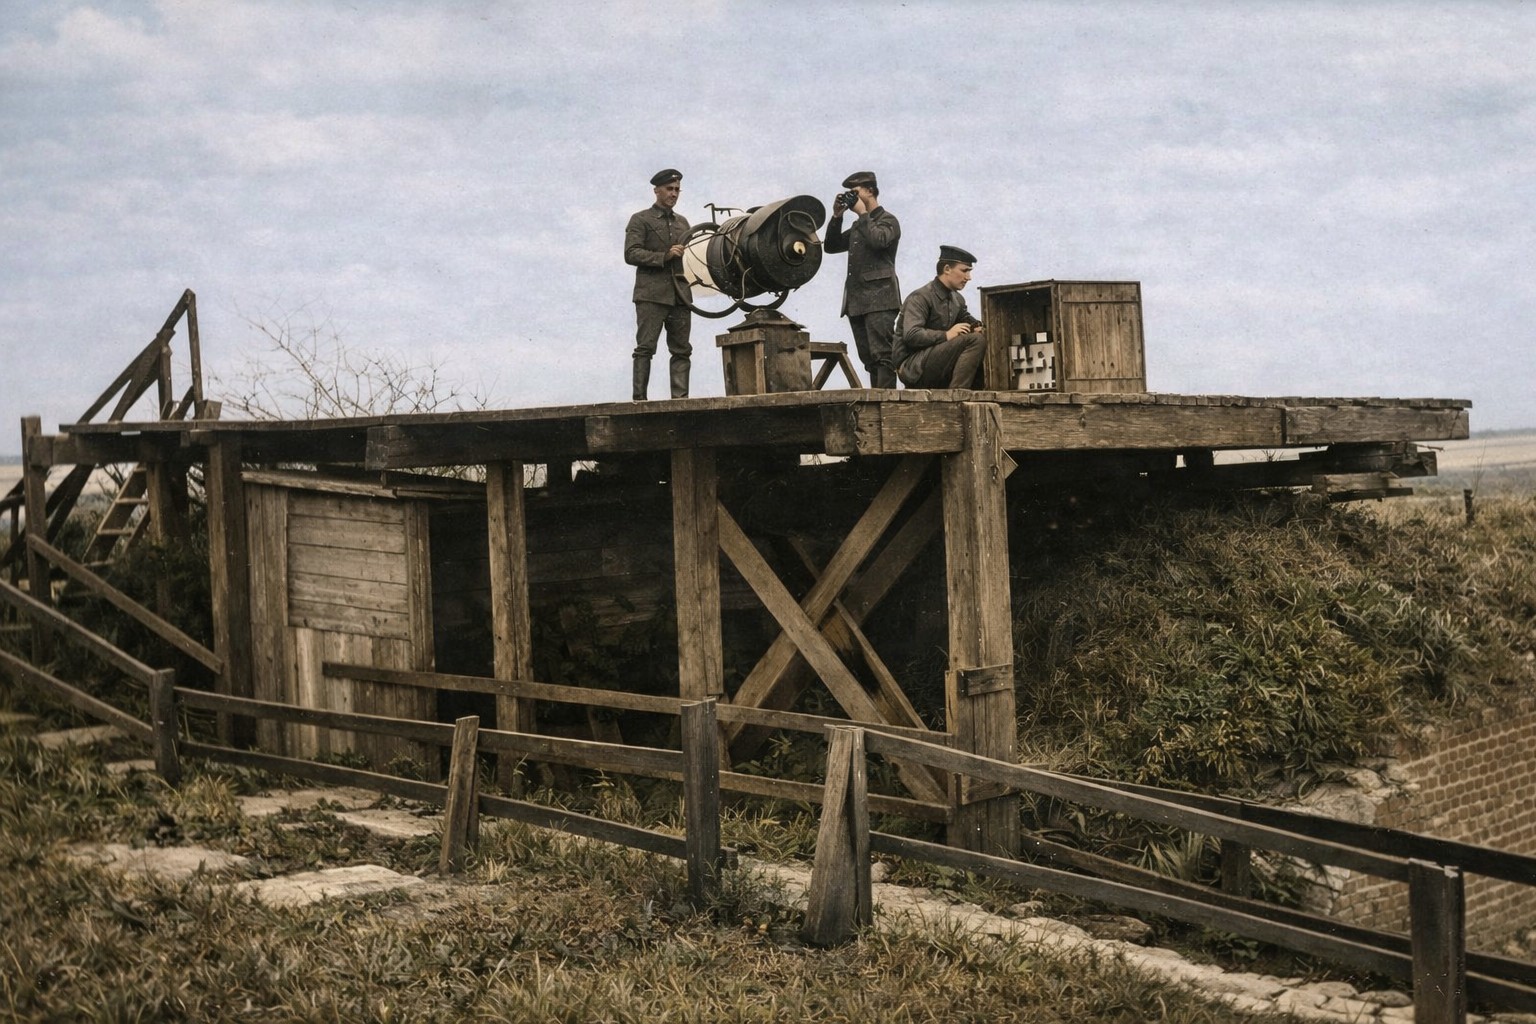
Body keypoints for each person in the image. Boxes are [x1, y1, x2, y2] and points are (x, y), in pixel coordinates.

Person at [823, 170, 901, 388]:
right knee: (868, 359)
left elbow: (879, 241)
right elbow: (831, 246)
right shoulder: (860, 225)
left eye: (855, 192)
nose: (852, 198)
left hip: (880, 300)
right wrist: (837, 216)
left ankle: (886, 406)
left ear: (870, 191)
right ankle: (878, 404)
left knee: (883, 356)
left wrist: (863, 214)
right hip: (857, 301)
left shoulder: (888, 220)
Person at [624, 168, 693, 400]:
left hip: (680, 296)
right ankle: (639, 402)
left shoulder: (683, 223)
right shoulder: (640, 219)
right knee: (645, 348)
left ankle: (680, 402)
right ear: (657, 190)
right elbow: (631, 253)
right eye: (669, 189)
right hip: (651, 295)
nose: (674, 194)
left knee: (682, 350)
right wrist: (664, 256)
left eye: (677, 189)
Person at [892, 245, 987, 389]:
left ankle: (978, 393)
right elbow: (911, 335)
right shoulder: (920, 297)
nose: (968, 277)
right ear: (947, 269)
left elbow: (968, 320)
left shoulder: (957, 299)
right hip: (913, 368)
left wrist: (979, 327)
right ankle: (958, 395)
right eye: (964, 271)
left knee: (982, 336)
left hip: (934, 364)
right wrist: (947, 335)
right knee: (975, 341)